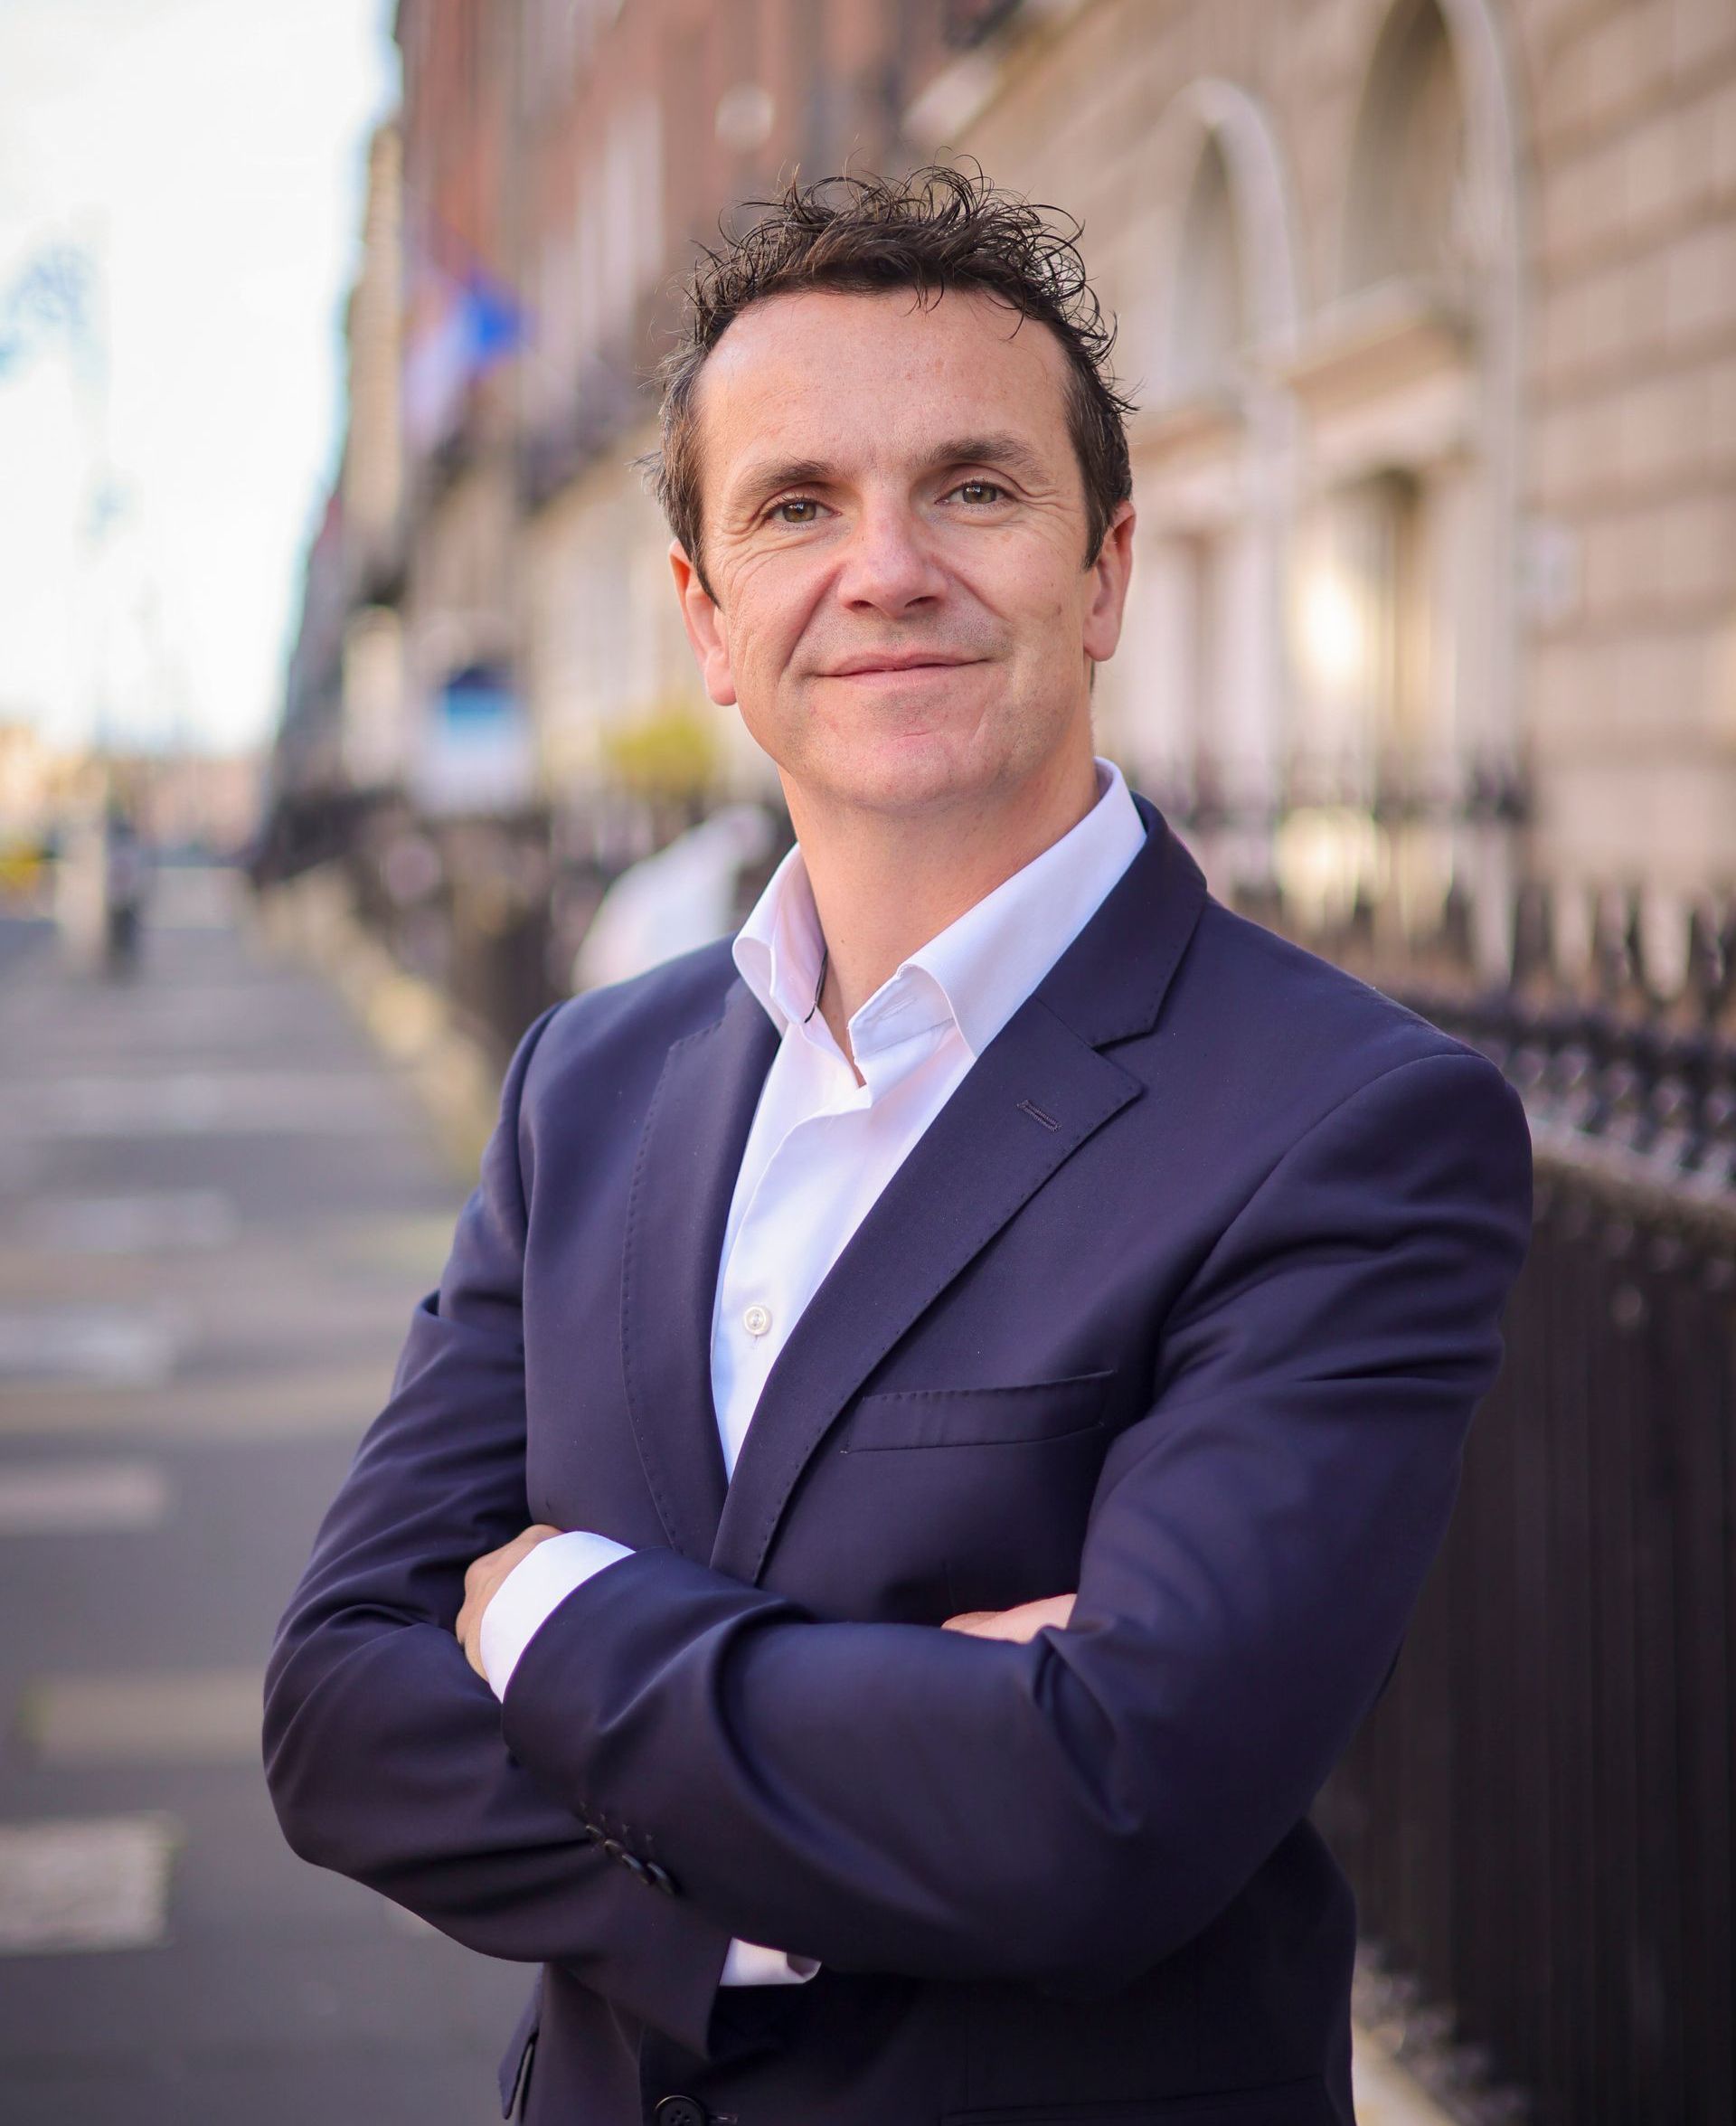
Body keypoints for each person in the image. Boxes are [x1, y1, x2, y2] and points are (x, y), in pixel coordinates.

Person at [263, 165, 1532, 2126]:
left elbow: (1109, 1807)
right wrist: (861, 1810)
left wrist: (542, 1615)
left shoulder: (1350, 1126)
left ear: (1103, 570)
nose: (887, 568)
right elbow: (340, 1709)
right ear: (705, 616)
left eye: (974, 487)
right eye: (796, 507)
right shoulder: (585, 1085)